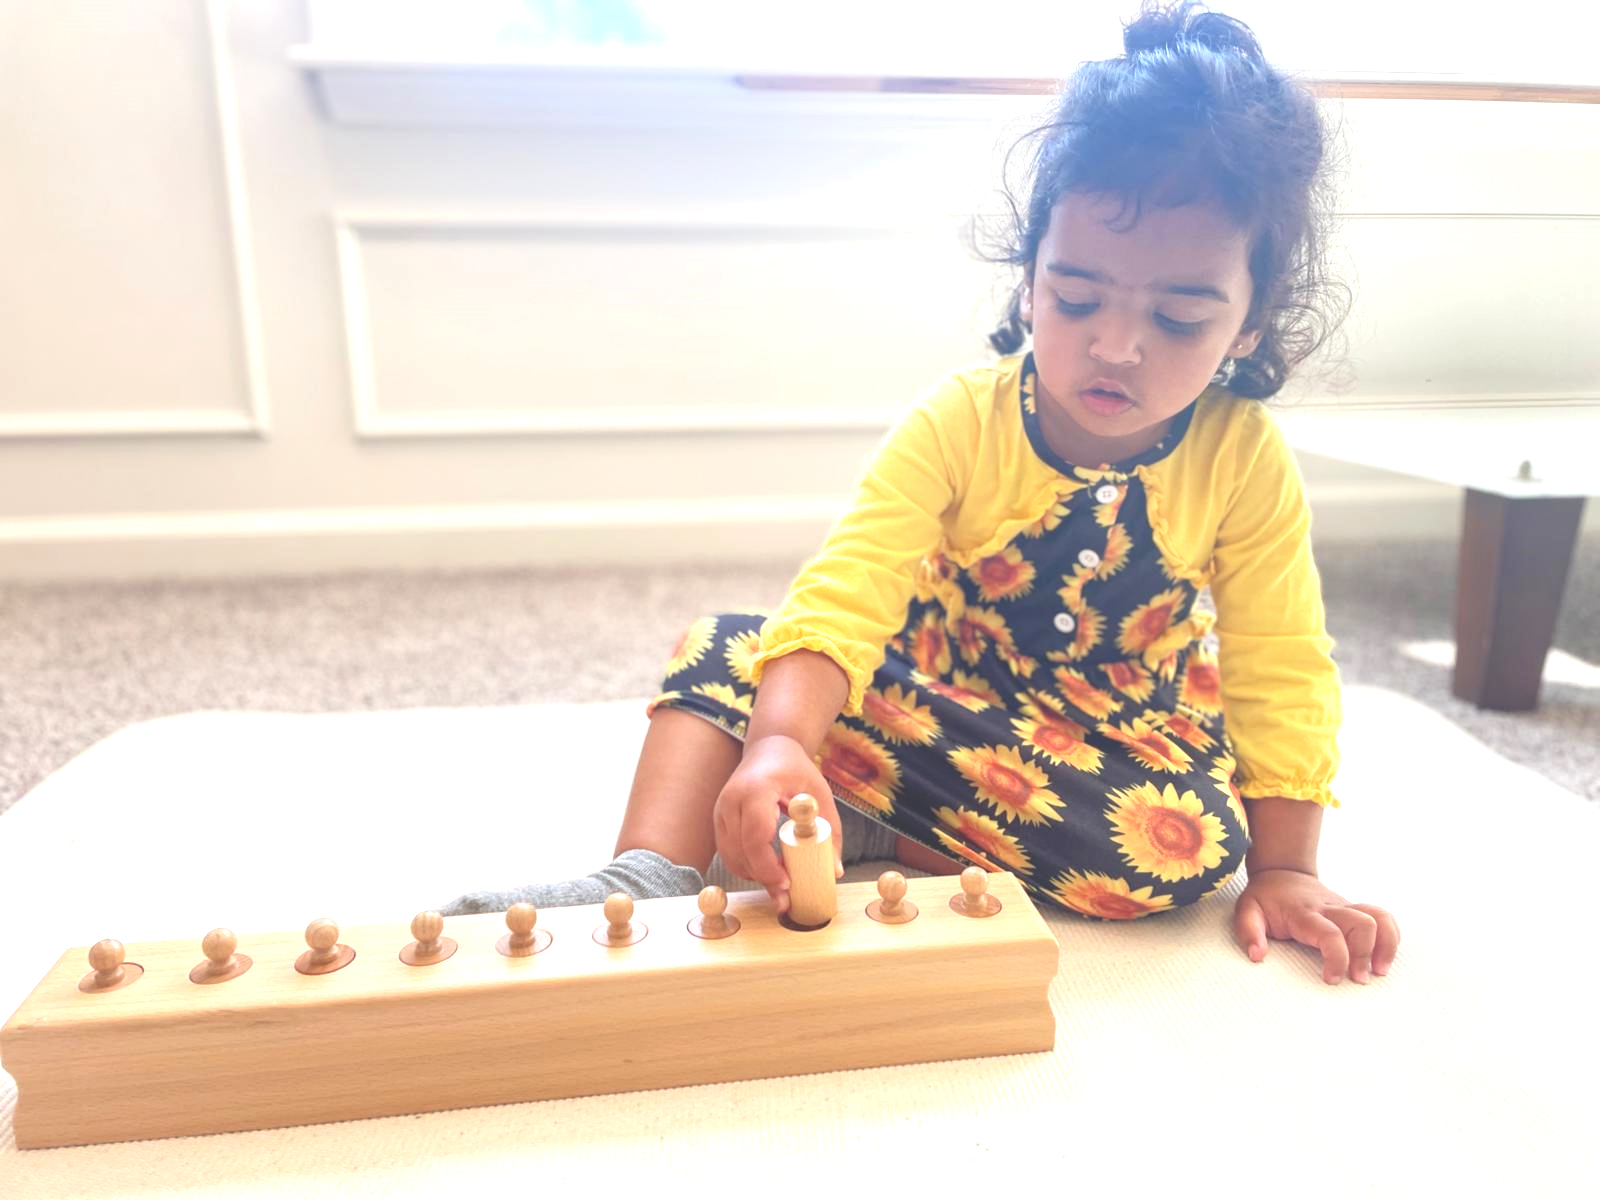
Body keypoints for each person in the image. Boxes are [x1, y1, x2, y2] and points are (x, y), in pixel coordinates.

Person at [443, 0, 1401, 985]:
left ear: (1248, 324)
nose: (1117, 345)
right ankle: (651, 875)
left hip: (1101, 734)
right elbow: (848, 590)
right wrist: (778, 741)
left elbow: (1278, 659)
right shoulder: (960, 416)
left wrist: (1285, 866)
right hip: (925, 694)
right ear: (1029, 280)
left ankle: (868, 830)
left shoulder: (1243, 457)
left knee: (1182, 847)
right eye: (1075, 300)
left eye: (1180, 315)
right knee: (731, 648)